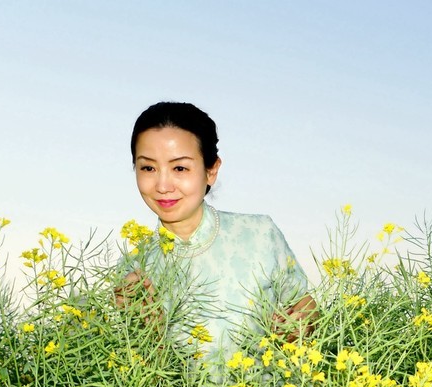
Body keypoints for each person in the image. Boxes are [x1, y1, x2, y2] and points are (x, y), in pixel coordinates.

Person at [117, 101, 316, 349]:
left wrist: (300, 324)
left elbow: (306, 309)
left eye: (180, 167)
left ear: (211, 170)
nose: (163, 185)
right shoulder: (134, 266)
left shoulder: (260, 234)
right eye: (148, 167)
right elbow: (141, 372)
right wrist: (146, 332)